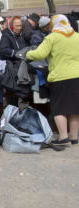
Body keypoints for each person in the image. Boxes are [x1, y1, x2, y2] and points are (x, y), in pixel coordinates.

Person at [27, 15, 79, 146]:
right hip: (77, 76)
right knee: (75, 109)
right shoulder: (77, 36)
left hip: (60, 77)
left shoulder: (52, 37)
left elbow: (40, 54)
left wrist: (27, 54)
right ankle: (74, 137)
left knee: (59, 109)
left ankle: (63, 137)